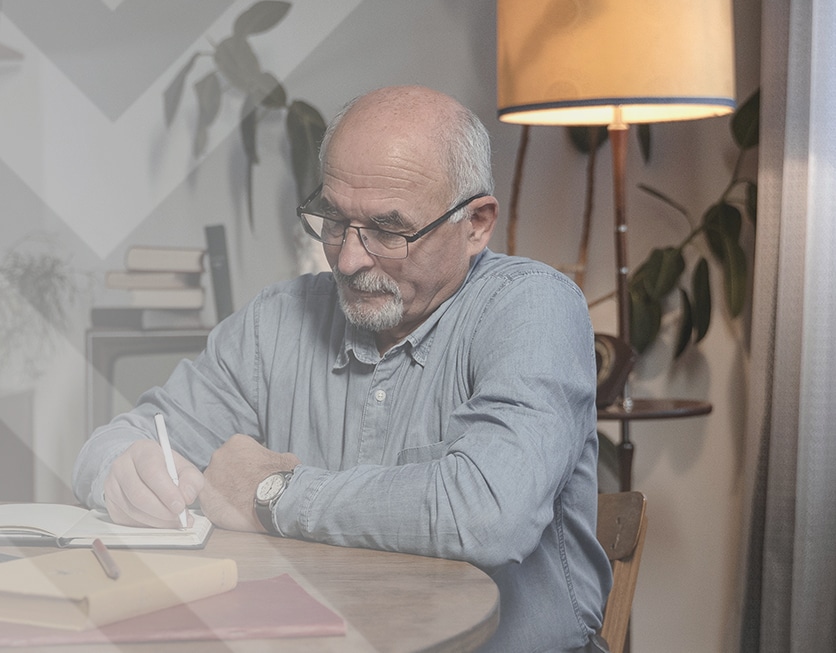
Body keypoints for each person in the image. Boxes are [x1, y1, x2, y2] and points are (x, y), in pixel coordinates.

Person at [73, 85, 611, 652]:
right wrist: (120, 473)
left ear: (476, 223)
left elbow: (488, 515)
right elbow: (120, 440)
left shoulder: (535, 309)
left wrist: (272, 493)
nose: (350, 259)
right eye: (333, 220)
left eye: (388, 229)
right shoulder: (274, 322)